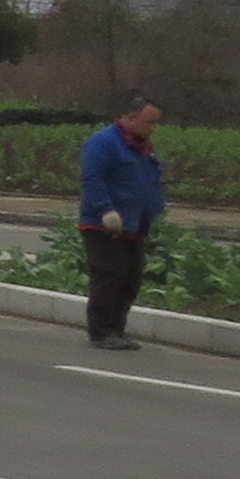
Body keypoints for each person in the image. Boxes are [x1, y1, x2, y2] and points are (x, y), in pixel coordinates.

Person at [75, 96, 165, 349]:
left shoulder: (142, 146)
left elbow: (149, 179)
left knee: (130, 278)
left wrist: (154, 208)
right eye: (150, 122)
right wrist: (105, 210)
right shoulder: (103, 142)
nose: (153, 128)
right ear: (131, 118)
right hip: (104, 224)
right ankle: (101, 331)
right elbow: (92, 179)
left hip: (134, 224)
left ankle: (116, 329)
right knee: (110, 274)